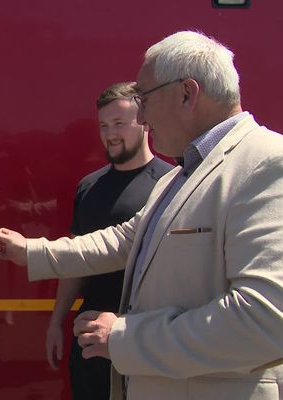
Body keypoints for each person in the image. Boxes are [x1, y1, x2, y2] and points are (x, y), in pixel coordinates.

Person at [0, 31, 283, 400]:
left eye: (144, 99)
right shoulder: (181, 176)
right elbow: (124, 240)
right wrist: (29, 251)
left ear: (187, 93)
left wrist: (124, 337)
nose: (141, 118)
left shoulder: (272, 165)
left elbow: (270, 321)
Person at [45, 82, 172, 400]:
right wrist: (56, 322)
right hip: (90, 337)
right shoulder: (89, 187)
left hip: (145, 336)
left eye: (119, 123)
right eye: (104, 125)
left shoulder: (172, 184)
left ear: (144, 122)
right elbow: (75, 260)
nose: (110, 133)